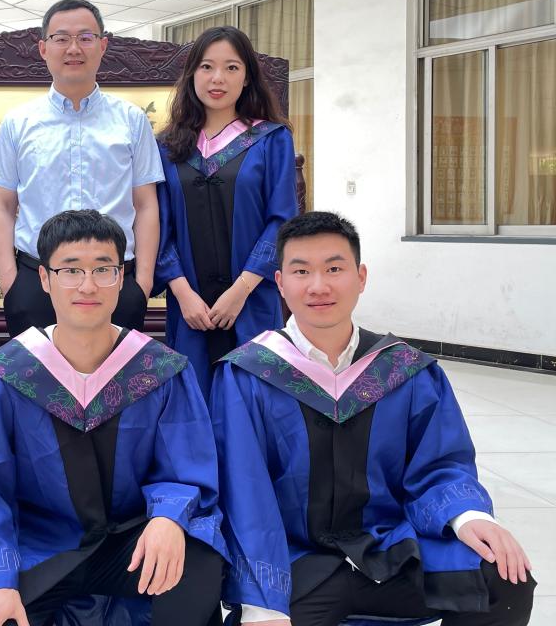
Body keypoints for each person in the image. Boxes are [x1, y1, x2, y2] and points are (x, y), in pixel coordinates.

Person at [211, 211, 535, 626]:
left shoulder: (404, 370)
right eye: (301, 271)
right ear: (280, 283)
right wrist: (262, 606)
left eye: (334, 269)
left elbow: (441, 464)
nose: (318, 286)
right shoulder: (247, 374)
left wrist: (468, 516)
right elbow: (244, 492)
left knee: (505, 577)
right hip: (294, 563)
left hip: (392, 548)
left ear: (361, 277)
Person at [0, 210, 227, 626]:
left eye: (103, 269)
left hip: (132, 541)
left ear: (121, 277)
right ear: (45, 278)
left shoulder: (160, 370)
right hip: (38, 548)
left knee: (197, 560)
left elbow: (185, 466)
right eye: (71, 270)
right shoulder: (4, 376)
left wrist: (168, 517)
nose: (88, 285)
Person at [0, 0, 163, 337]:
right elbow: (2, 205)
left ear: (103, 45)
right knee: (35, 372)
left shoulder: (131, 120)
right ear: (43, 48)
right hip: (36, 282)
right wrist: (11, 283)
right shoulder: (18, 122)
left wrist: (142, 283)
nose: (73, 48)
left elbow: (145, 204)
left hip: (114, 281)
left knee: (117, 372)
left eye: (85, 37)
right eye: (61, 38)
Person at [155, 26, 296, 397]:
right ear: (192, 74)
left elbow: (282, 220)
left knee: (255, 397)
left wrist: (240, 291)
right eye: (207, 67)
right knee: (193, 399)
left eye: (231, 67)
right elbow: (159, 226)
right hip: (191, 305)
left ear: (247, 77)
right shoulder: (167, 147)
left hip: (251, 298)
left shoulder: (271, 139)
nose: (218, 78)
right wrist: (182, 292)